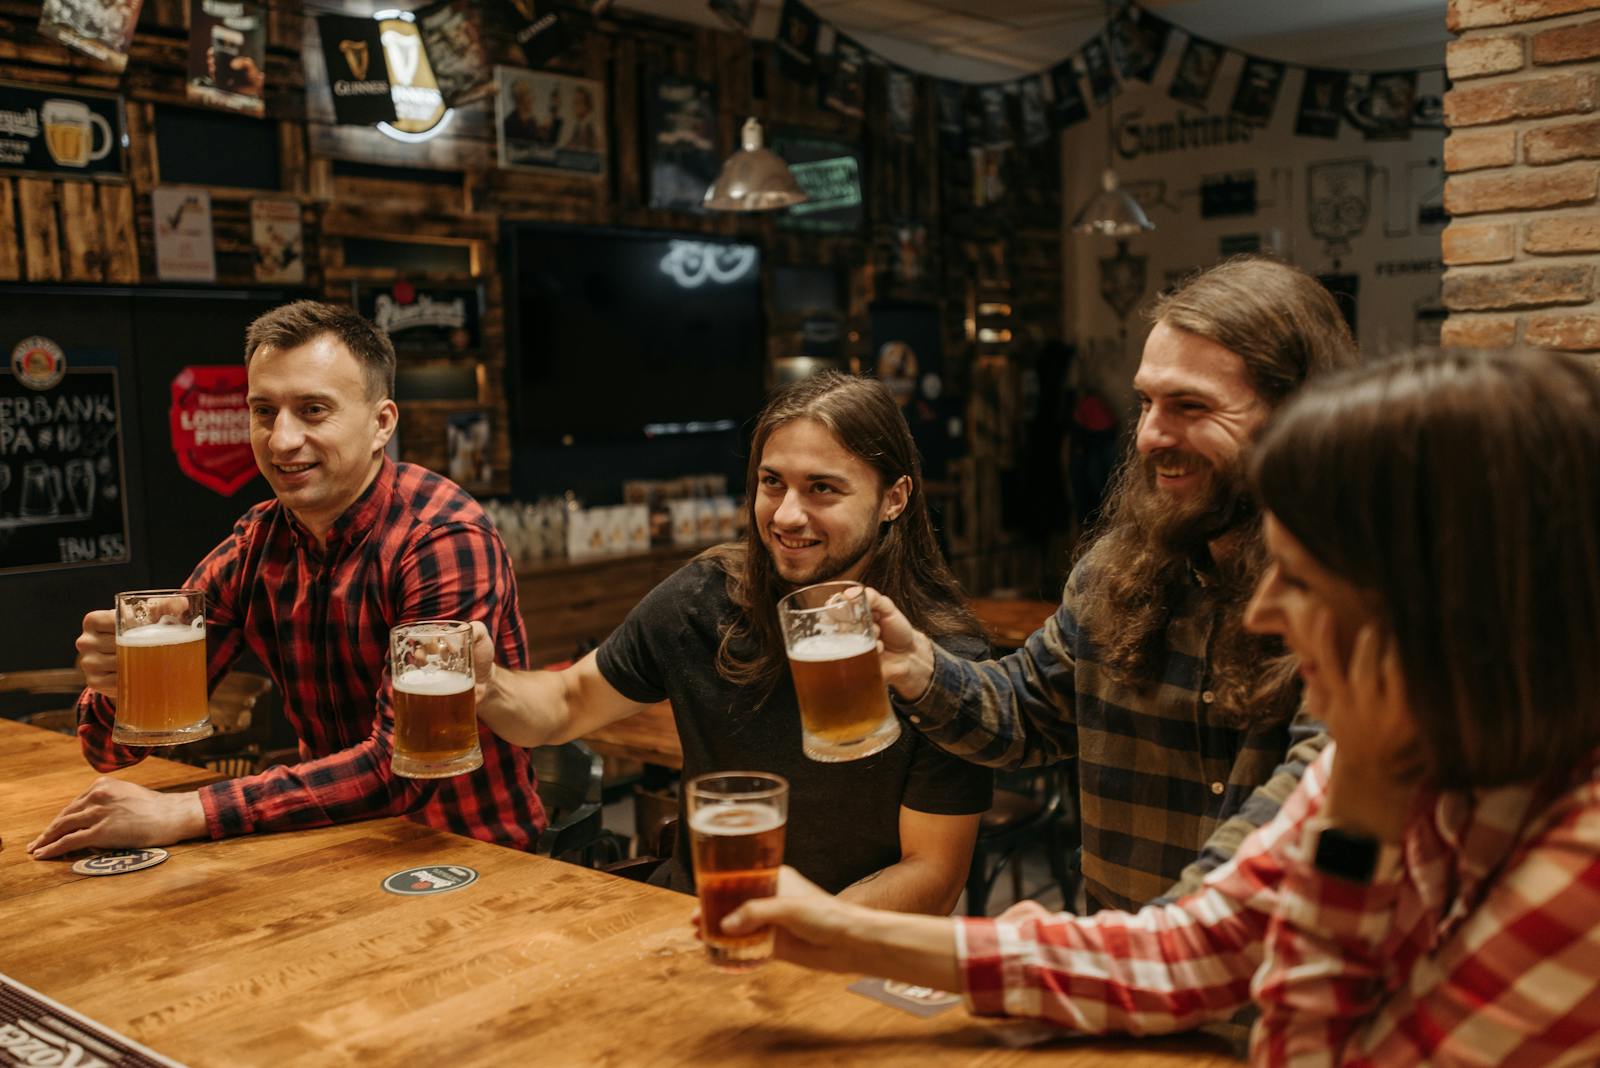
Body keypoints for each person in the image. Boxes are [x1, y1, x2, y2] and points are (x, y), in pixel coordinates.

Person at [726, 348, 1600, 1064]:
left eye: (1302, 580)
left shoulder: (1576, 866)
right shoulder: (1397, 743)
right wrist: (842, 933)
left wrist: (1360, 820)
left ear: (1449, 601)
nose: (1262, 612)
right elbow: (1193, 948)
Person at [873, 257, 1360, 912]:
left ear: (1300, 416)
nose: (1152, 435)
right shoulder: (1115, 571)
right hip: (1113, 993)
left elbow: (1269, 863)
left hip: (1266, 999)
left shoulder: (1358, 604)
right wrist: (916, 665)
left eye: (1190, 406)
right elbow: (1026, 712)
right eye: (1147, 403)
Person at [28, 301, 544, 860]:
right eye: (264, 411)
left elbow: (404, 769)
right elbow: (107, 753)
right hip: (331, 849)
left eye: (313, 410)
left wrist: (188, 811)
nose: (280, 441)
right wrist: (114, 689)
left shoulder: (440, 539)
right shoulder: (257, 546)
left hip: (469, 857)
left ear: (381, 424)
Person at [472, 372, 992, 912]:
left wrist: (806, 928)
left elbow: (933, 875)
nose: (787, 514)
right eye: (773, 482)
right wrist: (487, 687)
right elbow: (564, 705)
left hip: (848, 950)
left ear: (894, 498)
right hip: (696, 924)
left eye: (822, 487)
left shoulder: (943, 662)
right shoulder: (704, 599)